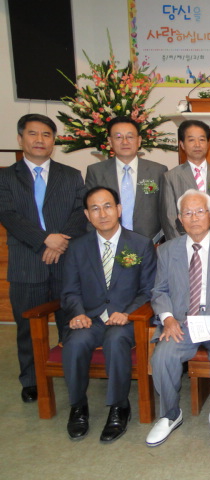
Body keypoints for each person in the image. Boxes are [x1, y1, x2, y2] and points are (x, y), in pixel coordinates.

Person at [0, 114, 86, 404]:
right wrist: (44, 240)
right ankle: (32, 379)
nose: (40, 140)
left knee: (70, 323)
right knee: (28, 329)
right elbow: (8, 214)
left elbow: (80, 212)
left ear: (54, 141)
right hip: (26, 263)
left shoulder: (71, 175)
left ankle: (71, 372)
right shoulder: (5, 177)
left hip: (65, 263)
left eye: (46, 135)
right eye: (33, 134)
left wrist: (60, 241)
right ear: (20, 138)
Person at [146, 189, 210, 447]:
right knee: (162, 356)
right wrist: (167, 318)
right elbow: (159, 291)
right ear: (180, 219)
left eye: (200, 211)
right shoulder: (167, 250)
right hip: (182, 322)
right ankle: (170, 414)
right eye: (187, 213)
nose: (194, 217)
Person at [61, 186, 156, 442]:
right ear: (87, 215)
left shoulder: (140, 244)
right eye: (95, 208)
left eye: (107, 206)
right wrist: (78, 313)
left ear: (119, 209)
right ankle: (78, 406)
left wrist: (127, 313)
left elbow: (148, 291)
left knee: (115, 340)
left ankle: (118, 406)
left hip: (126, 320)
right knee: (75, 342)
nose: (102, 214)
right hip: (90, 319)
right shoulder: (77, 247)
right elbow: (69, 290)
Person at [85, 116, 168, 241]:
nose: (125, 142)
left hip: (150, 241)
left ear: (139, 140)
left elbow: (165, 211)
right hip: (109, 241)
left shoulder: (158, 171)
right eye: (118, 137)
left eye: (130, 137)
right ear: (110, 141)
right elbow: (90, 210)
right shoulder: (96, 172)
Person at [161, 119, 210, 240]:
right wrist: (179, 245)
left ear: (208, 143)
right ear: (182, 144)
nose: (197, 144)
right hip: (184, 241)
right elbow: (169, 218)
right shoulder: (171, 177)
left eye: (202, 139)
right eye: (191, 140)